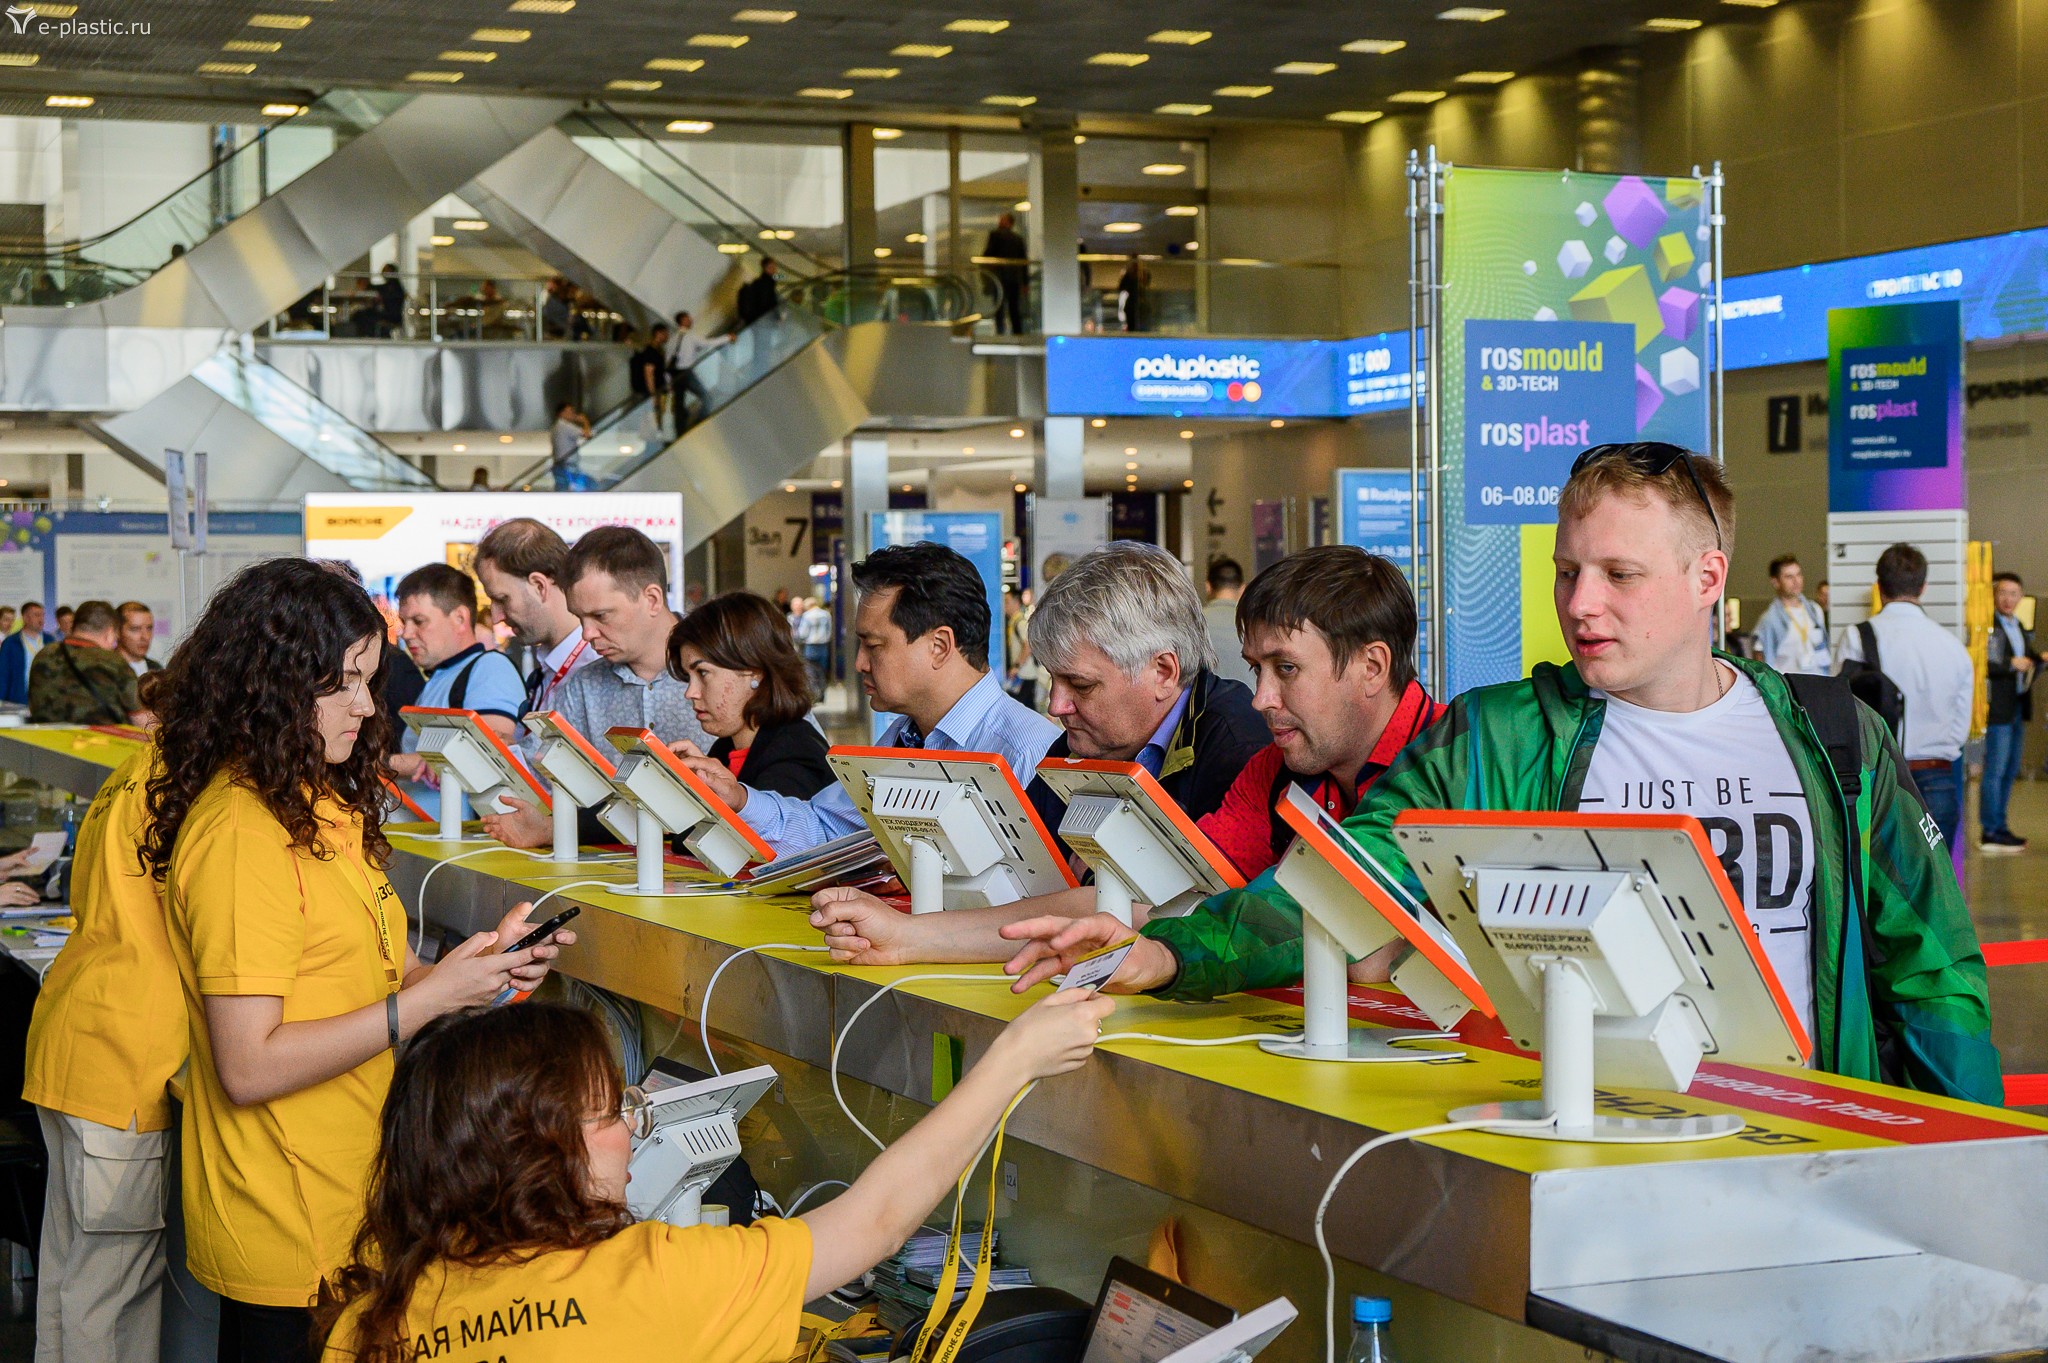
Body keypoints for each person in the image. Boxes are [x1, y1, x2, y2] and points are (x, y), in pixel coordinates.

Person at [999, 444, 2000, 1105]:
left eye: (1618, 574)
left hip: (1800, 1130)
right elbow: (1349, 883)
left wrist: (1969, 1157)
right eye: (1567, 571)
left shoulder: (1829, 734)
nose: (1581, 602)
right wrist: (1170, 952)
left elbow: (1930, 970)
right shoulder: (1504, 735)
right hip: (1591, 1134)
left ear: (1706, 579)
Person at [143, 558, 572, 1362]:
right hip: (286, 1220)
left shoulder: (320, 808)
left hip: (352, 1201)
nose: (367, 705)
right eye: (342, 683)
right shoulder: (243, 834)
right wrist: (428, 1000)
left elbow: (389, 976)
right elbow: (248, 1064)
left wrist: (483, 969)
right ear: (273, 684)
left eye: (368, 680)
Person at [313, 990, 1110, 1363]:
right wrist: (1014, 1059)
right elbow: (877, 1219)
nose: (632, 1128)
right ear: (541, 1150)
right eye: (612, 1112)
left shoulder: (367, 1327)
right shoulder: (659, 1279)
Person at [813, 545, 1439, 967]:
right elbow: (1154, 901)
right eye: (1258, 670)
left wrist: (1164, 953)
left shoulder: (1450, 761)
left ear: (1372, 666)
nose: (1263, 698)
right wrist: (911, 938)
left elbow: (1347, 944)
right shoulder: (1270, 767)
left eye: (1287, 670)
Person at [675, 542, 1059, 856]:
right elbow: (827, 829)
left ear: (939, 646)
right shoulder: (901, 740)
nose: (860, 663)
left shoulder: (1029, 754)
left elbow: (1049, 901)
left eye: (873, 646)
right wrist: (740, 799)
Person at [23, 742, 164, 1363]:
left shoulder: (135, 768)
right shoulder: (200, 783)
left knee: (68, 1280)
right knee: (109, 1297)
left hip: (75, 1036)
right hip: (126, 1057)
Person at [479, 527, 710, 849]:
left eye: (601, 616)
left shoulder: (724, 669)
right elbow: (536, 772)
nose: (587, 633)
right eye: (580, 617)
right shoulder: (582, 687)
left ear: (652, 599)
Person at [1835, 543, 1975, 855]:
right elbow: (1960, 728)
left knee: (1878, 881)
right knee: (1935, 882)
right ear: (1923, 587)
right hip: (1938, 778)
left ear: (1879, 586)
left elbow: (1840, 712)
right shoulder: (1953, 647)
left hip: (1878, 781)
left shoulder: (1857, 637)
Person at [386, 564, 527, 816]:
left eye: (419, 621)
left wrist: (379, 764)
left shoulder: (489, 668)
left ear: (460, 618)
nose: (406, 633)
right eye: (404, 622)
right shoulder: (443, 676)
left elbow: (486, 755)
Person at [668, 591, 832, 807]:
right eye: (688, 677)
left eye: (703, 673)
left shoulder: (795, 760)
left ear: (755, 671)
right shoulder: (725, 749)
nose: (690, 692)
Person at [472, 518, 595, 724]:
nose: (496, 618)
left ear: (539, 586)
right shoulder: (548, 667)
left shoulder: (596, 665)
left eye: (502, 599)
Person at [1982, 570, 2038, 854]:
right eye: (2003, 592)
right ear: (1994, 595)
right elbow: (1986, 663)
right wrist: (2010, 664)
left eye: (2013, 594)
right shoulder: (1989, 627)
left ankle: (2000, 827)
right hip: (1998, 709)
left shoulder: (2018, 626)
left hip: (2018, 706)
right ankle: (1990, 830)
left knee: (2010, 769)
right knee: (1996, 769)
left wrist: (2038, 659)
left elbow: (2026, 660)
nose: (2008, 598)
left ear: (2020, 597)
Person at [28, 599, 143, 725]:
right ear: (110, 632)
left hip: (47, 736)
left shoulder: (44, 654)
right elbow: (140, 718)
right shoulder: (113, 661)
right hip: (101, 736)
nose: (113, 644)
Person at [1754, 554, 1829, 675]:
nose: (1796, 581)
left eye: (1798, 574)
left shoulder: (1814, 610)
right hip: (1788, 683)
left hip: (1817, 678)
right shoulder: (1769, 620)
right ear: (1775, 582)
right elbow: (1759, 659)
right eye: (1789, 577)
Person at [667, 310, 731, 436]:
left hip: (675, 376)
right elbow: (708, 343)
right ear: (683, 320)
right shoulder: (690, 336)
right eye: (688, 318)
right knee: (707, 398)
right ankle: (698, 424)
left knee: (679, 406)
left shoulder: (672, 340)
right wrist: (727, 338)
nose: (691, 320)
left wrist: (668, 381)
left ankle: (680, 432)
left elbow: (668, 362)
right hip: (687, 373)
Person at [1203, 557, 1254, 688]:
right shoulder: (1255, 623)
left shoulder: (1194, 622)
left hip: (1206, 700)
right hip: (1250, 700)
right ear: (1243, 588)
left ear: (1208, 587)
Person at [0, 600, 55, 704]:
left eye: (42, 615)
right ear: (25, 618)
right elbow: (3, 675)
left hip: (46, 700)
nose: (41, 619)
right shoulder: (11, 643)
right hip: (19, 701)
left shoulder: (50, 641)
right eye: (37, 615)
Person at [983, 211, 1028, 336]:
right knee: (1014, 307)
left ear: (1007, 222)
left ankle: (1000, 331)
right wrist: (1025, 282)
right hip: (1014, 277)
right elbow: (1023, 262)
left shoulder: (995, 235)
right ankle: (1017, 332)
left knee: (999, 306)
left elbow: (988, 254)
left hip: (999, 276)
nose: (999, 222)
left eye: (1002, 220)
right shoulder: (1018, 239)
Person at [630, 324, 671, 430]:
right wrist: (653, 395)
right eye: (665, 334)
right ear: (658, 333)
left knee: (654, 419)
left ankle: (655, 435)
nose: (667, 336)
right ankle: (654, 437)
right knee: (652, 419)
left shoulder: (655, 350)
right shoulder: (651, 352)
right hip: (653, 391)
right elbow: (649, 373)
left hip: (656, 390)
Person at [549, 400, 592, 491]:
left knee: (562, 488)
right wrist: (584, 421)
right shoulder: (566, 426)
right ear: (562, 413)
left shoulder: (556, 426)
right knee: (585, 486)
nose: (573, 414)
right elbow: (587, 435)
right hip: (568, 464)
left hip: (559, 463)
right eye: (570, 411)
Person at [796, 593, 833, 697]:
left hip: (810, 647)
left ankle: (814, 693)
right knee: (822, 671)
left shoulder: (807, 616)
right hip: (823, 646)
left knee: (810, 670)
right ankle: (822, 693)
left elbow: (802, 633)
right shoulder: (826, 614)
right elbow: (830, 631)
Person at [117, 600, 161, 676]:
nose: (145, 637)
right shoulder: (105, 670)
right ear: (117, 631)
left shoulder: (157, 669)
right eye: (135, 629)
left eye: (149, 628)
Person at [736, 256, 780, 327]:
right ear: (766, 268)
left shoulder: (762, 282)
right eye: (772, 267)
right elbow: (767, 302)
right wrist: (776, 316)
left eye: (774, 267)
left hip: (756, 320)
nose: (774, 269)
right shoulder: (766, 284)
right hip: (761, 320)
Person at [1116, 255, 1152, 333]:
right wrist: (1129, 274)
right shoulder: (1129, 277)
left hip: (1141, 306)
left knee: (1143, 327)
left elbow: (1146, 283)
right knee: (1133, 326)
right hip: (1132, 306)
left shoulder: (1142, 276)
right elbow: (1121, 287)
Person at [373, 263, 406, 338]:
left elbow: (389, 296)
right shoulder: (392, 285)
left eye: (386, 270)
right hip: (390, 314)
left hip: (391, 315)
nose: (383, 272)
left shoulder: (393, 286)